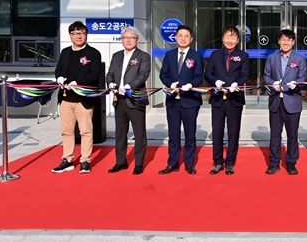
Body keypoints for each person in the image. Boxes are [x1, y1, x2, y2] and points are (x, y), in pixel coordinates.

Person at [51, 21, 102, 174]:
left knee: (86, 131)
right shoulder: (65, 52)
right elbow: (59, 69)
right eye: (75, 33)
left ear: (86, 34)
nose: (78, 36)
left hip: (83, 100)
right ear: (70, 35)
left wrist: (77, 83)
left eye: (81, 33)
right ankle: (67, 160)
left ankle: (85, 161)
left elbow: (94, 75)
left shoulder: (93, 53)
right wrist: (59, 77)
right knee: (66, 131)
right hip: (66, 98)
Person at [105, 26, 151, 175]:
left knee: (139, 134)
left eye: (132, 38)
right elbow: (110, 73)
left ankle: (139, 163)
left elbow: (143, 75)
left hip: (135, 99)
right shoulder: (117, 56)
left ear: (137, 40)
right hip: (119, 100)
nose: (128, 40)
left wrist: (129, 86)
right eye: (126, 38)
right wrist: (110, 83)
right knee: (120, 133)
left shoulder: (143, 56)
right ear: (122, 40)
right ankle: (120, 161)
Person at [158, 25, 204, 175]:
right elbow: (163, 74)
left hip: (190, 100)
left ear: (191, 39)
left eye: (186, 36)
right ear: (176, 38)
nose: (183, 38)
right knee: (173, 133)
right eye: (180, 36)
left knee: (190, 134)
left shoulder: (196, 56)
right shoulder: (169, 55)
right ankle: (173, 163)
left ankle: (189, 164)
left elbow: (199, 76)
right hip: (173, 100)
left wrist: (191, 85)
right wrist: (170, 83)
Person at [204, 26, 250, 175]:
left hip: (235, 99)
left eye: (233, 37)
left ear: (238, 40)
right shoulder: (215, 55)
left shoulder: (243, 56)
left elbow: (245, 74)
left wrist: (237, 84)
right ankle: (218, 161)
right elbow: (207, 73)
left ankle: (230, 162)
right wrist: (215, 81)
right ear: (223, 38)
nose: (230, 40)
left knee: (233, 132)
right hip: (217, 99)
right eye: (228, 37)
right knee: (217, 131)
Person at [263, 29, 307, 175]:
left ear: (293, 42)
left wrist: (296, 84)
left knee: (292, 135)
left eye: (289, 40)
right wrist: (273, 83)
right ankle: (274, 163)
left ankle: (291, 162)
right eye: (283, 39)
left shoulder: (300, 59)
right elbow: (266, 76)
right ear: (279, 41)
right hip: (276, 101)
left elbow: (303, 78)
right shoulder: (272, 58)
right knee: (275, 134)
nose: (285, 42)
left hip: (292, 101)